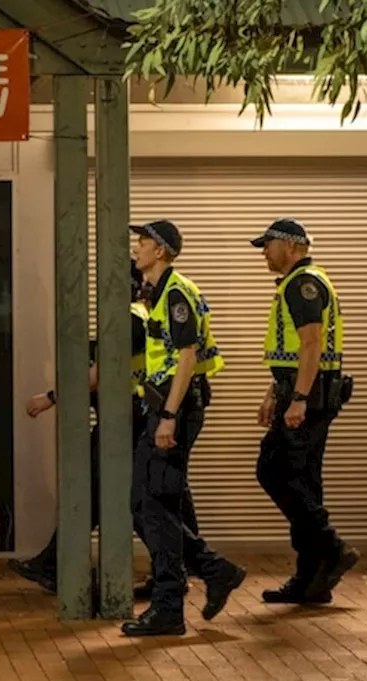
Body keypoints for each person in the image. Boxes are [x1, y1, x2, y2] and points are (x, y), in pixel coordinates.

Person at [122, 220, 246, 637]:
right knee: (147, 504)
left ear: (160, 250)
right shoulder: (159, 293)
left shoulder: (175, 293)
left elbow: (188, 358)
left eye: (141, 243)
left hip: (173, 411)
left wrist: (169, 417)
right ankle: (213, 569)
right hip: (163, 409)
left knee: (153, 506)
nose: (136, 249)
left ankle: (171, 607)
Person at [8, 259, 151, 594]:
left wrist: (51, 397)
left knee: (130, 502)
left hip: (123, 423)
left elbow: (97, 377)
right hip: (123, 420)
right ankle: (52, 564)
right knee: (98, 497)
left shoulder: (126, 318)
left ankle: (189, 564)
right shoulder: (136, 315)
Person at [250, 218, 360, 605]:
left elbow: (311, 345)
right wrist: (274, 392)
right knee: (305, 482)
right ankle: (313, 579)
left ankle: (332, 548)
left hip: (308, 399)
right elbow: (295, 352)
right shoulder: (299, 282)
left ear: (292, 246)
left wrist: (296, 399)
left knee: (274, 469)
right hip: (306, 394)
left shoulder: (303, 284)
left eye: (268, 244)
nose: (263, 251)